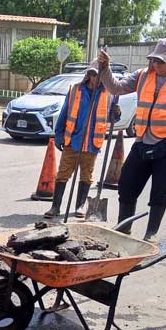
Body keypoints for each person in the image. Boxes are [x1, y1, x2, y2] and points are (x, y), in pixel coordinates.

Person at [98, 38, 166, 242]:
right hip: (142, 142)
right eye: (154, 60)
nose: (156, 65)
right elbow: (116, 88)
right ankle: (124, 229)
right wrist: (105, 68)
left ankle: (151, 233)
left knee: (160, 193)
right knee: (126, 185)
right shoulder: (143, 75)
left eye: (161, 61)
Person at [45, 60, 121, 219]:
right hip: (73, 140)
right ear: (89, 75)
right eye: (93, 74)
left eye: (99, 75)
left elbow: (111, 118)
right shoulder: (75, 90)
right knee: (63, 174)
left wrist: (116, 113)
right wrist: (59, 134)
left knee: (86, 175)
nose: (96, 78)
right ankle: (55, 207)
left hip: (92, 142)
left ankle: (80, 206)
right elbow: (65, 113)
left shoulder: (109, 94)